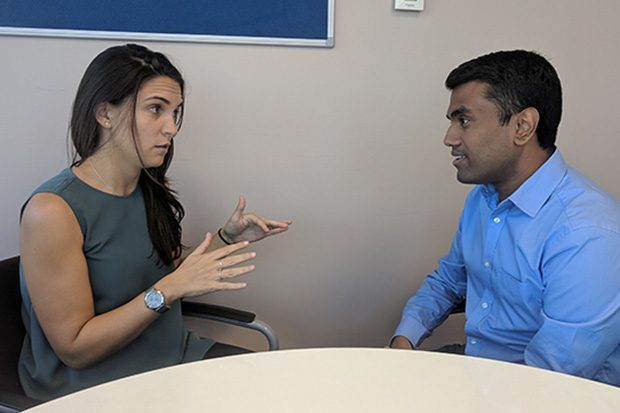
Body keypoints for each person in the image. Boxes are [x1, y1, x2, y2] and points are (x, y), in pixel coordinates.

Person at [18, 44, 292, 401]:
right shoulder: (52, 211)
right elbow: (75, 348)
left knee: (283, 389)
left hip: (170, 356)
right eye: (155, 110)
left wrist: (227, 238)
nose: (171, 128)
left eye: (175, 112)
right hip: (94, 386)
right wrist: (168, 291)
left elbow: (157, 270)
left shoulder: (148, 187)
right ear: (105, 114)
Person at [390, 50, 620, 386]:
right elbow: (448, 281)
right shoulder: (483, 199)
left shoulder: (587, 233)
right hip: (481, 366)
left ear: (523, 126)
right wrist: (403, 343)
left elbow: (549, 381)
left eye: (463, 120)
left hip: (548, 392)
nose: (450, 138)